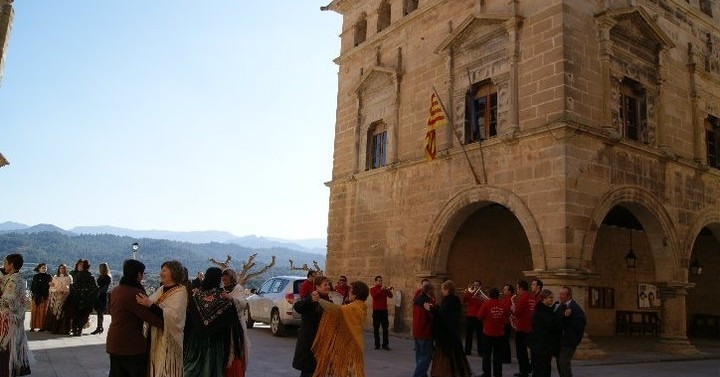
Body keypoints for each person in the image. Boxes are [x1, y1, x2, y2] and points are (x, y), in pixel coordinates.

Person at [106, 259, 164, 377]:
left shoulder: (116, 290)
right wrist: (170, 321)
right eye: (142, 273)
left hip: (114, 341)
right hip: (130, 344)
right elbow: (150, 318)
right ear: (138, 274)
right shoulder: (136, 294)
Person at [183, 267, 245, 377]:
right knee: (211, 369)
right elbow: (231, 320)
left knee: (192, 368)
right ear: (217, 279)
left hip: (195, 341)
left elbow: (189, 317)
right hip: (214, 342)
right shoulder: (222, 296)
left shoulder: (197, 295)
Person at [137, 260, 188, 377]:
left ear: (174, 272)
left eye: (164, 270)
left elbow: (174, 316)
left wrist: (149, 304)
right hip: (154, 337)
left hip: (169, 341)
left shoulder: (181, 292)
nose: (161, 273)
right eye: (161, 270)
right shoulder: (161, 289)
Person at [311, 280, 369, 377]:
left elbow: (337, 310)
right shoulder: (361, 306)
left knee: (346, 371)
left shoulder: (354, 307)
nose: (349, 292)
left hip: (349, 346)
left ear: (356, 294)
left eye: (351, 290)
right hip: (355, 344)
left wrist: (319, 300)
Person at [430, 280, 472, 377]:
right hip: (453, 332)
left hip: (447, 334)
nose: (441, 291)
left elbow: (443, 316)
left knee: (448, 357)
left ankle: (446, 373)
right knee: (455, 355)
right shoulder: (454, 300)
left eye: (442, 289)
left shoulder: (449, 301)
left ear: (448, 289)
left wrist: (432, 310)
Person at [0, 253, 31, 377]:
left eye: (5, 263)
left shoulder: (15, 279)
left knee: (8, 346)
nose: (3, 265)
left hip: (10, 319)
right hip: (12, 318)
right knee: (13, 346)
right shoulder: (14, 276)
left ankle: (7, 370)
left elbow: (10, 299)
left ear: (11, 265)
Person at [292, 275, 330, 377]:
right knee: (309, 372)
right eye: (325, 285)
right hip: (309, 344)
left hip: (322, 344)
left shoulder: (329, 302)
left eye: (328, 284)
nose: (328, 286)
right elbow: (298, 307)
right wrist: (310, 300)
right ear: (317, 287)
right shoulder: (312, 299)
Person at [220, 268, 250, 377]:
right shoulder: (221, 289)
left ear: (232, 277)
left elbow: (243, 304)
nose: (224, 278)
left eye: (226, 276)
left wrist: (230, 298)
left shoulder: (238, 288)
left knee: (236, 348)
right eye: (222, 276)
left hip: (236, 325)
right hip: (224, 325)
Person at [526, 289, 562, 377]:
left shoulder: (544, 309)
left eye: (552, 297)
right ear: (543, 299)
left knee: (544, 368)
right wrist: (560, 314)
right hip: (540, 345)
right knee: (541, 369)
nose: (552, 299)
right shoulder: (541, 310)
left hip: (543, 345)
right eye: (550, 297)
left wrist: (554, 308)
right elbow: (551, 324)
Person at [478, 287, 509, 377]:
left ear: (489, 295)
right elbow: (507, 315)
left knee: (486, 354)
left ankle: (486, 373)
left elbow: (479, 316)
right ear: (498, 295)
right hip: (499, 333)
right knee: (498, 355)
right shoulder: (502, 304)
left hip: (488, 333)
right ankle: (498, 373)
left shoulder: (486, 304)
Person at [556, 286, 586, 377]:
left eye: (562, 294)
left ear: (568, 296)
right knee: (559, 364)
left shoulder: (575, 308)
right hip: (559, 341)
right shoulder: (561, 305)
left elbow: (579, 325)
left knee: (564, 363)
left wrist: (574, 340)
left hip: (568, 342)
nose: (560, 296)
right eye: (560, 294)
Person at [68, 259, 98, 336]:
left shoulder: (78, 275)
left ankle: (75, 329)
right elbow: (95, 289)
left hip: (77, 298)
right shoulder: (91, 276)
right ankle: (79, 330)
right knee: (84, 315)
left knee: (76, 315)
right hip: (87, 299)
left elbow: (74, 286)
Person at [412, 281, 435, 377]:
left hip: (417, 330)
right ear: (429, 290)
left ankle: (423, 375)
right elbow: (431, 316)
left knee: (419, 356)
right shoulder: (428, 302)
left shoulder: (418, 299)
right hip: (425, 332)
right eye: (433, 290)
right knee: (426, 356)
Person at [512, 280, 533, 377]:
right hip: (529, 327)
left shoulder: (522, 298)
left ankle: (523, 371)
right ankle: (528, 368)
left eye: (517, 288)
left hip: (521, 327)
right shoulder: (531, 298)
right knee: (526, 350)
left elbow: (518, 313)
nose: (517, 290)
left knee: (521, 351)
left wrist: (513, 308)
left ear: (520, 288)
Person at [45, 264, 73, 335]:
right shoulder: (55, 277)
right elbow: (51, 288)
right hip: (57, 297)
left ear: (65, 269)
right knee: (56, 313)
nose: (62, 269)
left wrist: (66, 290)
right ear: (58, 269)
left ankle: (64, 330)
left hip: (66, 297)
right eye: (61, 268)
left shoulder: (69, 277)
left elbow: (71, 287)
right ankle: (55, 329)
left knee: (64, 314)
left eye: (63, 268)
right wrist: (55, 289)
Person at [370, 275, 393, 350]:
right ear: (376, 281)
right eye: (379, 280)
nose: (380, 282)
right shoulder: (372, 289)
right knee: (376, 328)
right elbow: (375, 296)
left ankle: (385, 345)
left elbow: (391, 296)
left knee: (385, 328)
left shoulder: (384, 289)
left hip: (384, 311)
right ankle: (377, 345)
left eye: (381, 280)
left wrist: (388, 290)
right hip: (376, 311)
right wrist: (381, 290)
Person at [463, 279, 484, 356]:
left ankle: (481, 352)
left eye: (477, 285)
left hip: (478, 317)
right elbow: (464, 301)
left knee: (479, 336)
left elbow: (483, 304)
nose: (475, 286)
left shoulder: (482, 295)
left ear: (480, 286)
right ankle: (467, 351)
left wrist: (478, 296)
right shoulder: (470, 293)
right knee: (468, 335)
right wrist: (467, 293)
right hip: (470, 316)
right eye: (474, 284)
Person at [29, 262, 52, 331]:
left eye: (45, 268)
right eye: (43, 268)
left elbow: (50, 286)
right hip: (36, 296)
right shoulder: (35, 276)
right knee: (34, 311)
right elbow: (32, 286)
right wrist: (34, 294)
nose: (44, 269)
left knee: (42, 312)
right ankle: (32, 327)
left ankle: (42, 327)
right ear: (39, 269)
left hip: (44, 296)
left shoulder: (49, 276)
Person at [91, 262, 112, 334]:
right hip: (99, 295)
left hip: (102, 296)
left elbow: (105, 288)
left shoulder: (107, 277)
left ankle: (99, 327)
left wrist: (99, 292)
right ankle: (100, 327)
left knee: (100, 312)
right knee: (99, 312)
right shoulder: (101, 276)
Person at [501, 283, 516, 364]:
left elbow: (507, 311)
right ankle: (505, 357)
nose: (503, 291)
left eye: (505, 290)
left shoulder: (510, 299)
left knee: (505, 341)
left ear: (510, 292)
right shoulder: (505, 299)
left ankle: (506, 358)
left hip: (507, 323)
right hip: (504, 322)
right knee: (504, 341)